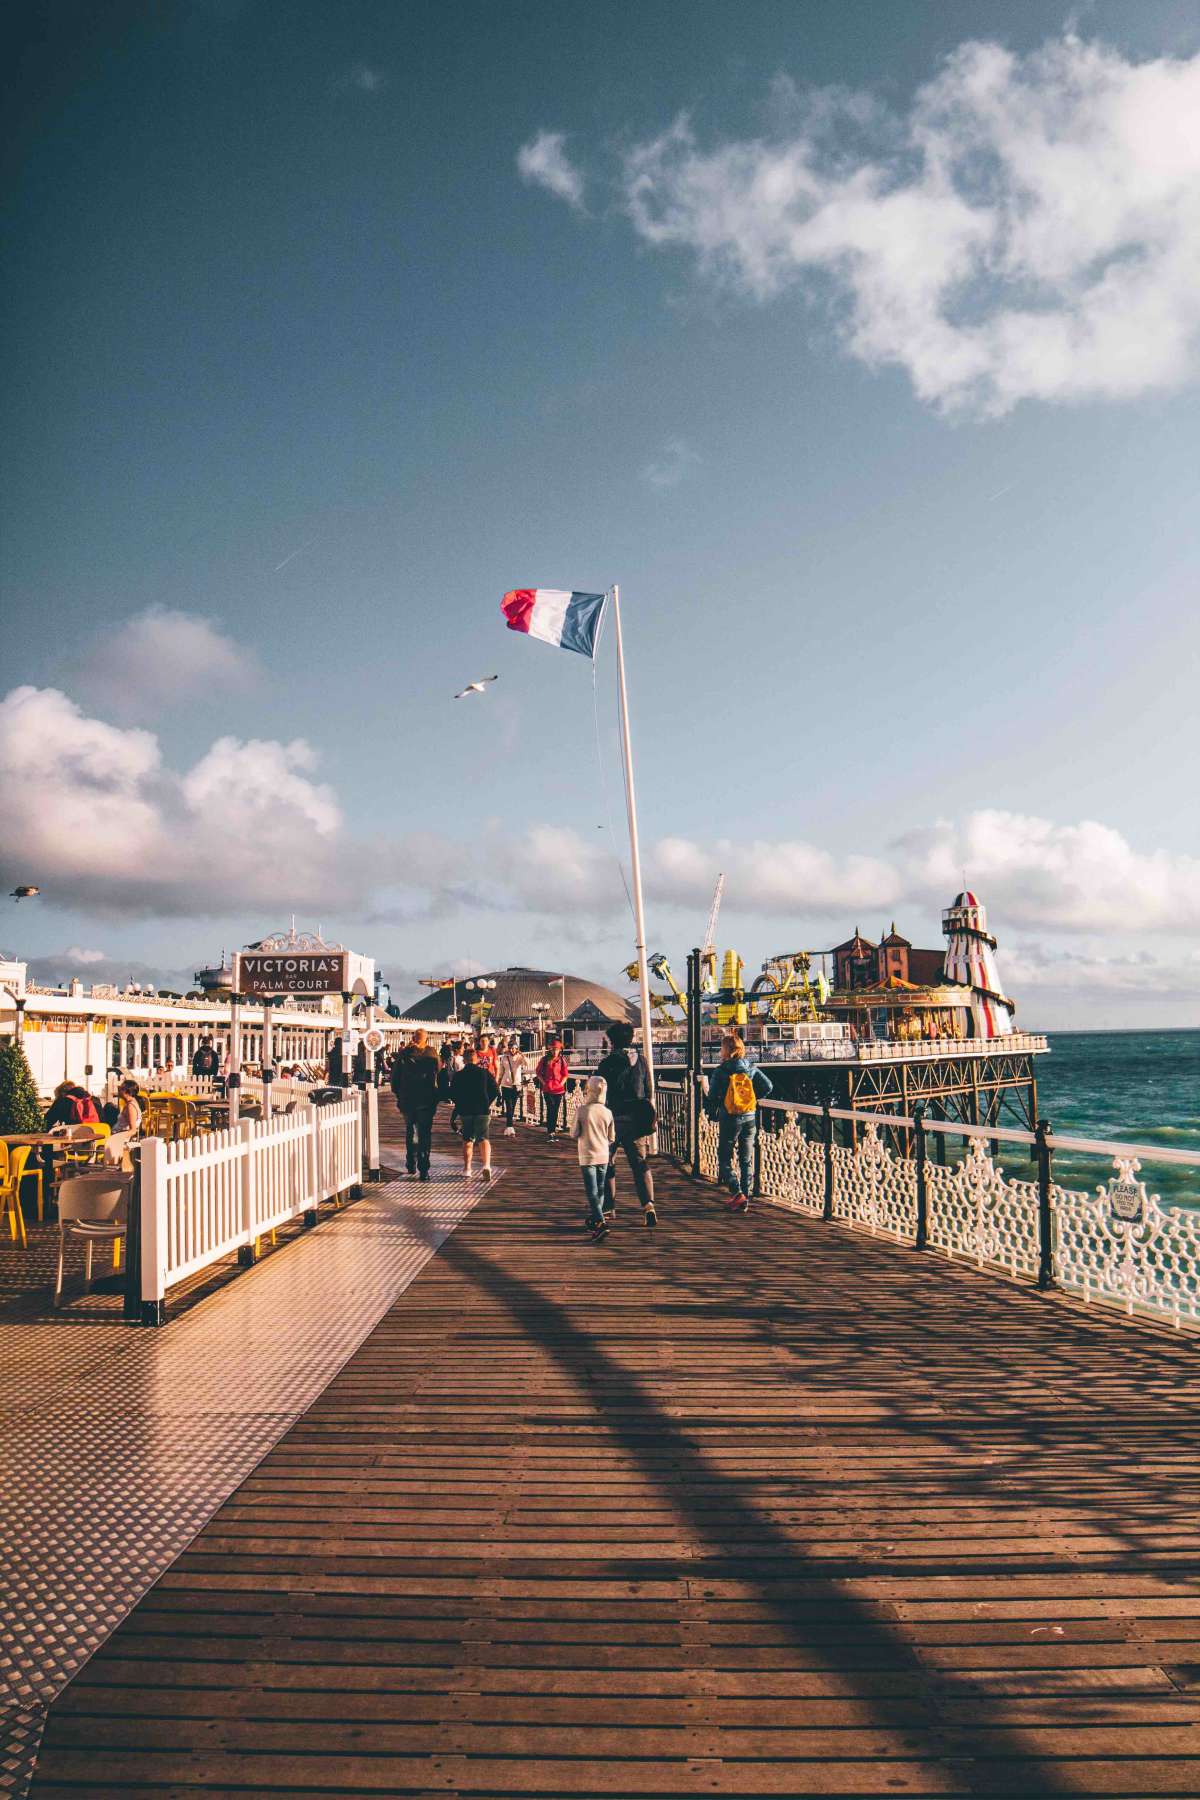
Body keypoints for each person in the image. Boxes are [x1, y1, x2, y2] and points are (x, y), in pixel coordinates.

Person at [597, 1021, 658, 1228]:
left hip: (612, 1119)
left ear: (612, 1041)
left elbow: (600, 1094)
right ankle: (648, 1204)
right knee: (639, 1163)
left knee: (607, 1162)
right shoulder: (641, 1060)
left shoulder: (606, 1064)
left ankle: (608, 1206)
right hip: (636, 1120)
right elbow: (649, 1090)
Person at [704, 1033, 774, 1213]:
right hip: (750, 1116)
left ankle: (737, 1192)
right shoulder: (750, 1067)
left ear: (725, 1050)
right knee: (745, 1159)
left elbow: (711, 1096)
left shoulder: (721, 1071)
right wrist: (752, 1098)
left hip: (730, 1117)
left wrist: (719, 1099)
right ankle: (745, 1198)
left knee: (724, 1158)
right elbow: (768, 1086)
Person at [571, 1074, 615, 1241]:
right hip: (603, 1154)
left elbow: (573, 1133)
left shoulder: (582, 1111)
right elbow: (611, 1137)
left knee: (592, 1191)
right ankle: (596, 1219)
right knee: (601, 1189)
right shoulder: (608, 1112)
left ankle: (602, 1224)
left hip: (587, 1155)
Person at [391, 1029, 440, 1181]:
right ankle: (424, 1170)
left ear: (413, 1038)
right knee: (424, 1134)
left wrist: (399, 1094)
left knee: (411, 1130)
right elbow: (439, 1071)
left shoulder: (404, 1054)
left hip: (408, 1100)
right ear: (426, 1039)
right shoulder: (432, 1053)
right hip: (427, 1101)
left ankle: (411, 1162)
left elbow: (395, 1079)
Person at [449, 1045, 499, 1180]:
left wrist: (460, 1105)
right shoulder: (484, 1073)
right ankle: (487, 1165)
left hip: (466, 1111)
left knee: (467, 1140)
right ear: (476, 1059)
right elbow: (495, 1090)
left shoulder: (458, 1075)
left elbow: (452, 1094)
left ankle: (467, 1169)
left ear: (464, 1060)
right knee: (484, 1138)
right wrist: (487, 1102)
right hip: (482, 1109)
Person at [535, 1038, 570, 1139]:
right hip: (548, 1089)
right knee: (550, 1108)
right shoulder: (545, 1059)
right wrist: (544, 1083)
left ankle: (552, 1131)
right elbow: (538, 1072)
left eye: (557, 1049)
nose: (555, 1051)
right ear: (550, 1050)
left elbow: (565, 1074)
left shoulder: (562, 1060)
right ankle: (550, 1131)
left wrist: (561, 1084)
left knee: (556, 1110)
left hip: (558, 1090)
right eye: (553, 1049)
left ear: (560, 1050)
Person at [498, 1035, 527, 1135]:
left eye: (514, 1048)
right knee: (509, 1106)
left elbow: (526, 1063)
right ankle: (509, 1127)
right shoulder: (504, 1057)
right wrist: (498, 1082)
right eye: (511, 1048)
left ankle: (509, 1127)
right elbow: (501, 1071)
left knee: (513, 1106)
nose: (512, 1050)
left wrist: (522, 1055)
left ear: (517, 1048)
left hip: (516, 1085)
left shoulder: (519, 1058)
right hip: (506, 1084)